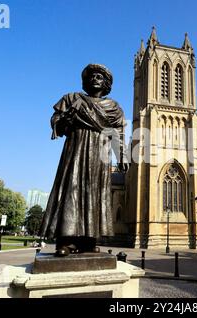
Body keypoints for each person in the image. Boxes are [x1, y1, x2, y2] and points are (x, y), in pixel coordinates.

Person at [38, 64, 128, 256]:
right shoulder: (72, 99)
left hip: (100, 156)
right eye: (92, 76)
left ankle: (89, 241)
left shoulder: (113, 108)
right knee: (72, 190)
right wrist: (65, 120)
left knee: (96, 193)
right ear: (86, 81)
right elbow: (56, 123)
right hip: (77, 151)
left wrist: (122, 156)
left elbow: (117, 133)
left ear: (106, 84)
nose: (96, 78)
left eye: (100, 77)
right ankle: (66, 241)